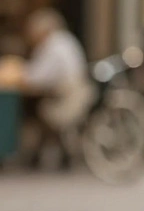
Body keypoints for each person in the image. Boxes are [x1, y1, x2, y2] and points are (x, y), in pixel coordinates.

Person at [20, 9, 94, 170]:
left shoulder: (53, 45)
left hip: (68, 100)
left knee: (37, 112)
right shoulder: (66, 40)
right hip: (77, 95)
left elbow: (38, 77)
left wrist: (18, 72)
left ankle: (34, 155)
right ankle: (44, 155)